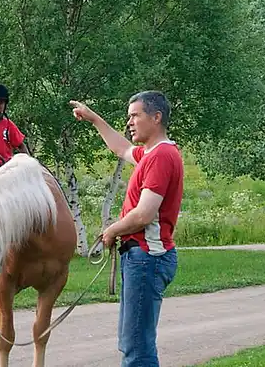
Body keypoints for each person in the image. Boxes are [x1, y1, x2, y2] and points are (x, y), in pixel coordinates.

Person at [70, 91, 183, 367]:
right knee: (132, 342)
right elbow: (120, 148)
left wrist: (111, 231)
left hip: (147, 258)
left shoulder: (161, 157)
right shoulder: (150, 154)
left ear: (156, 118)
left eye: (135, 116)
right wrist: (94, 119)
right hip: (142, 258)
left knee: (137, 347)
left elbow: (144, 214)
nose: (129, 122)